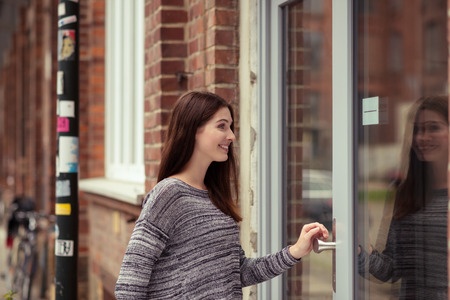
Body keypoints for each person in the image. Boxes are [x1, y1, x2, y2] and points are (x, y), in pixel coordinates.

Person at [115, 91, 329, 299]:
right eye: (221, 126)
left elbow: (240, 272)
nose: (232, 136)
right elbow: (129, 286)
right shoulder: (169, 194)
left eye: (230, 127)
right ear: (192, 130)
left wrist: (295, 251)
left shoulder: (213, 196)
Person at [358, 95, 448, 299]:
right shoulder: (406, 192)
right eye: (417, 130)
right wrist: (359, 252)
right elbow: (390, 270)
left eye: (433, 127)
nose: (422, 137)